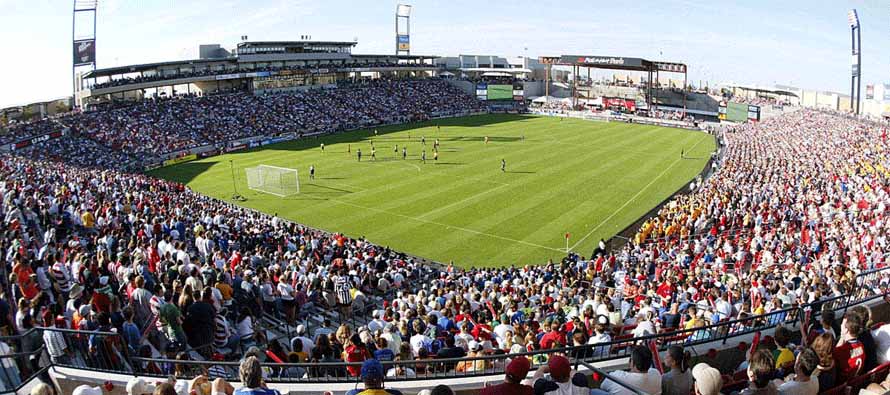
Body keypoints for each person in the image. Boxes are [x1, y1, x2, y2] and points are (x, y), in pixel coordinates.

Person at [596, 345, 662, 395]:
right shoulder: (656, 374)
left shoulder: (617, 376)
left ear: (632, 363)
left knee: (593, 391)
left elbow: (602, 386)